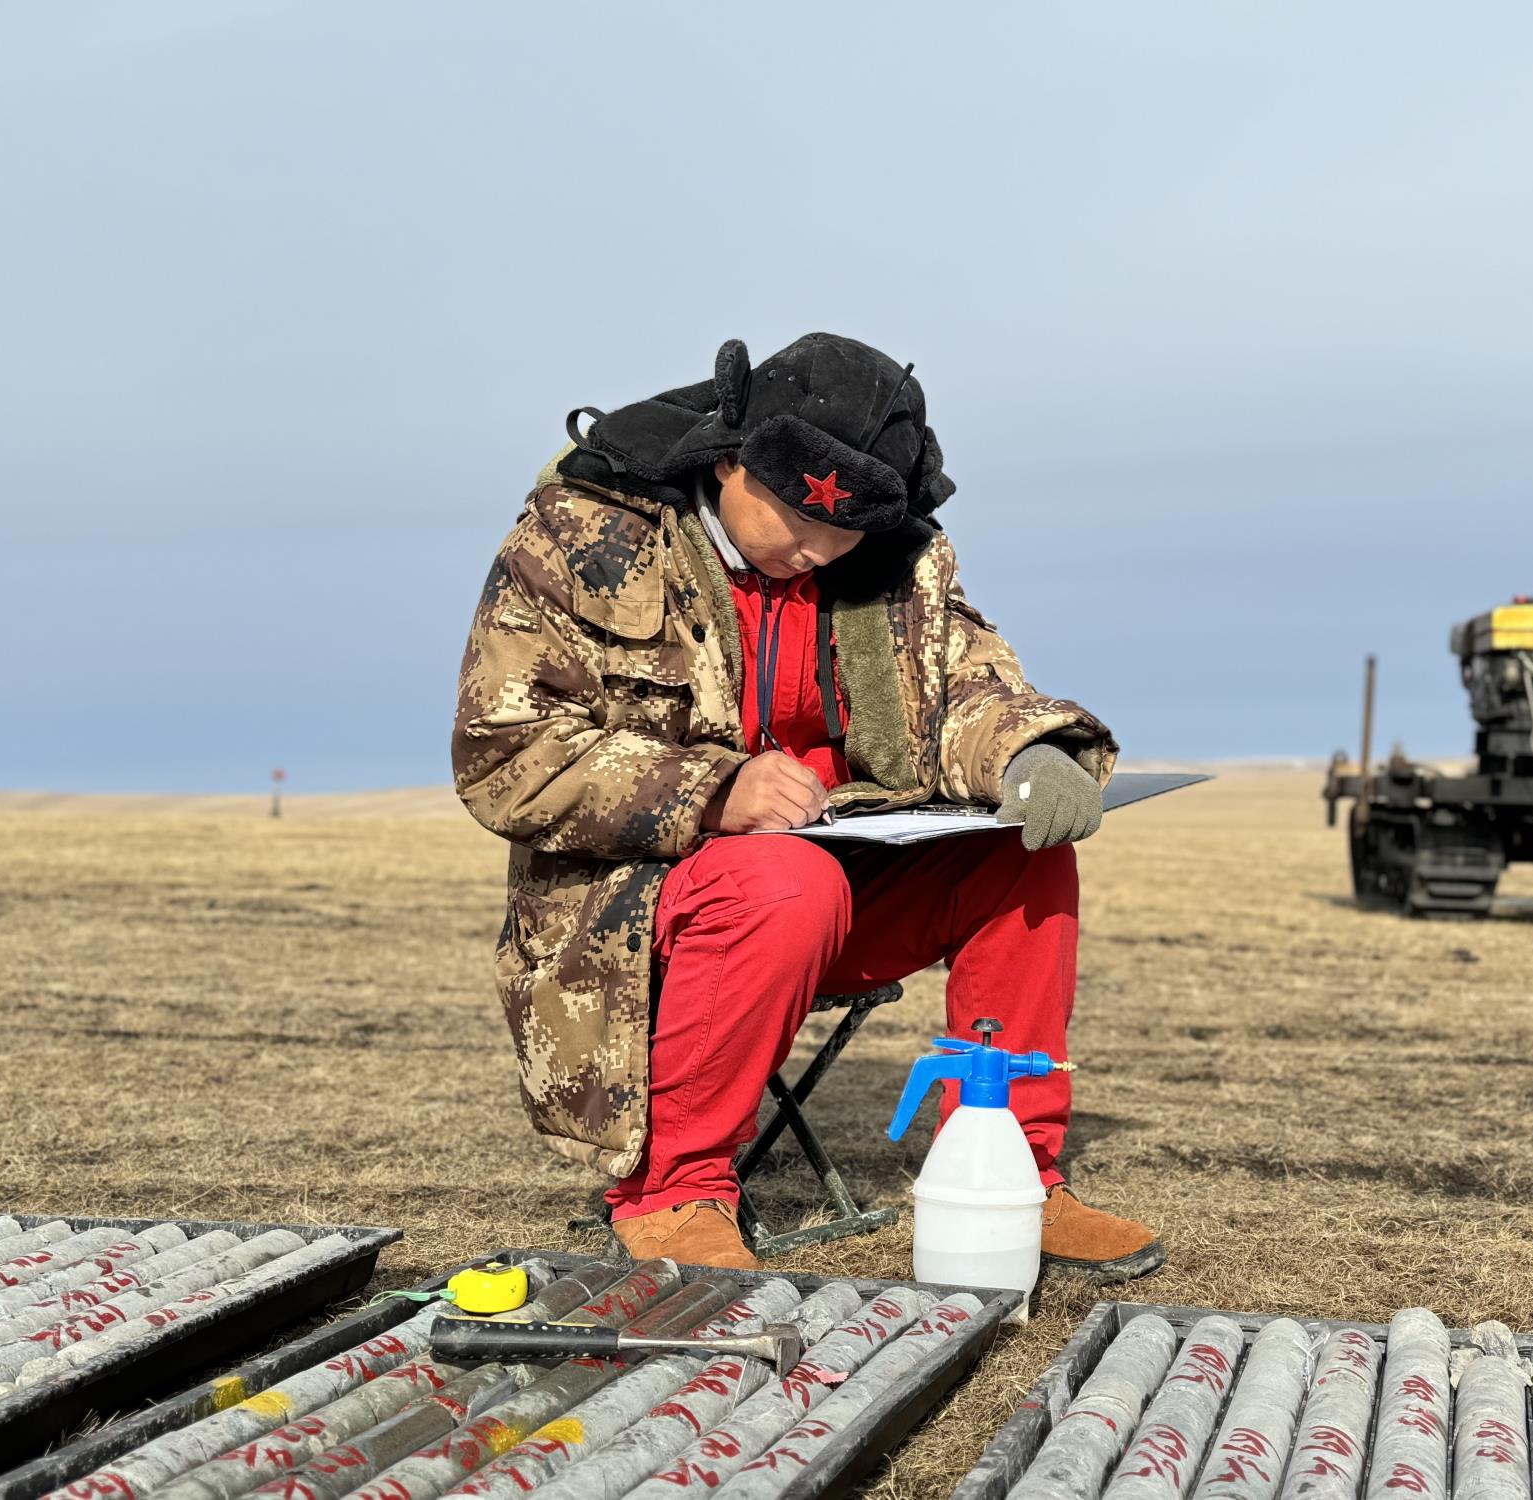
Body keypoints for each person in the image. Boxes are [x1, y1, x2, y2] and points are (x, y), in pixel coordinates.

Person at [453, 333, 1161, 1280]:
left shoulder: (897, 559)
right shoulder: (581, 537)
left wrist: (1028, 752)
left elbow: (966, 685)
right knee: (785, 881)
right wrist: (713, 792)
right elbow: (505, 751)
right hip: (635, 908)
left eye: (844, 531)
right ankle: (673, 1193)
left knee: (1023, 855)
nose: (816, 549)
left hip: (834, 884)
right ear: (730, 459)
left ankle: (1011, 1175)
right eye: (795, 517)